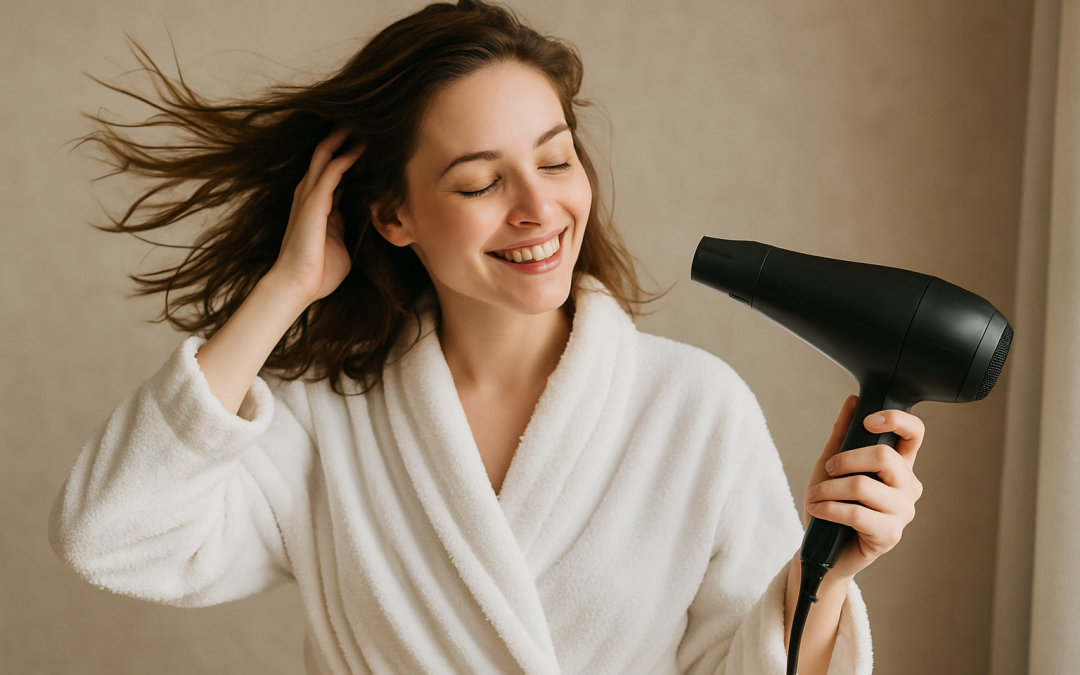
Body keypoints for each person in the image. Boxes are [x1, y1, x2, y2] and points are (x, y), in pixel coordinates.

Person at [49, 2, 925, 674]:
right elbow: (109, 534)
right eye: (480, 183)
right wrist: (285, 289)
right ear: (394, 215)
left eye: (555, 159)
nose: (539, 208)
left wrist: (829, 571)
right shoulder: (329, 421)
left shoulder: (694, 408)